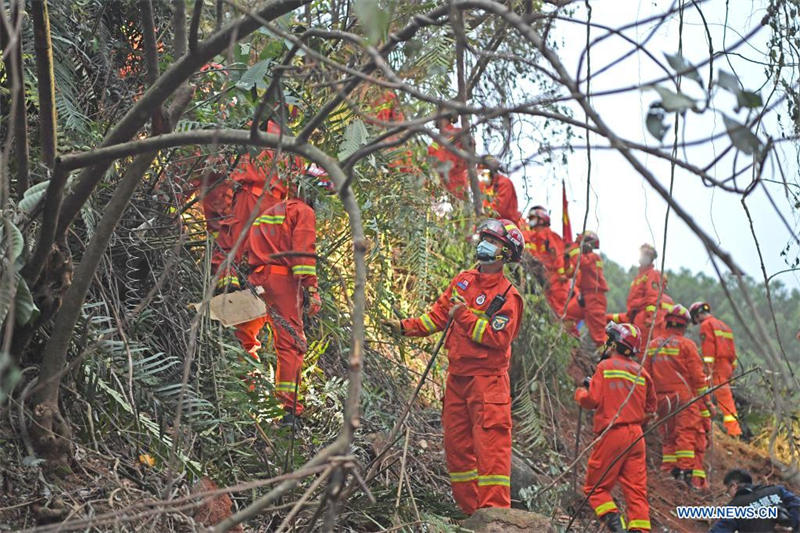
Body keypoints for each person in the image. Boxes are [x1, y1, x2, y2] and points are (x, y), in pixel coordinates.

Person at [383, 219, 525, 515]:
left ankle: (495, 519)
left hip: (488, 384)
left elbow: (496, 338)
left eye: (493, 241)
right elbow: (436, 316)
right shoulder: (464, 280)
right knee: (458, 451)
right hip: (457, 381)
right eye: (484, 237)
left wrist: (464, 316)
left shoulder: (508, 296)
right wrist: (402, 327)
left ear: (506, 253)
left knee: (491, 455)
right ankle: (470, 515)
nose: (485, 244)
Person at [234, 175, 331, 422]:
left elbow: (246, 246)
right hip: (283, 282)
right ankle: (289, 410)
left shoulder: (270, 211)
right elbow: (303, 255)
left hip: (257, 278)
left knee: (244, 335)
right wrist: (312, 290)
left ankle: (243, 390)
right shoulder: (304, 212)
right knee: (291, 343)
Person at [575, 322, 657, 532]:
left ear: (615, 343)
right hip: (637, 437)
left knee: (595, 487)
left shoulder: (605, 367)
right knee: (637, 492)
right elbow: (651, 408)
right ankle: (639, 529)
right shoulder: (641, 372)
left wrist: (580, 394)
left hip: (613, 433)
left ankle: (615, 523)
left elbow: (591, 400)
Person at [643, 304, 709, 487]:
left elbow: (645, 376)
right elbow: (698, 378)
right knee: (685, 435)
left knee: (668, 436)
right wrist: (707, 402)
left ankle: (668, 471)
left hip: (661, 400)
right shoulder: (687, 345)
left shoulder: (653, 345)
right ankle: (685, 476)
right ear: (684, 325)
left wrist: (648, 404)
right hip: (684, 399)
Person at [689, 301, 743, 437]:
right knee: (724, 397)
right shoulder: (724, 326)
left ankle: (733, 431)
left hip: (717, 367)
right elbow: (732, 351)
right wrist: (732, 369)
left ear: (697, 315)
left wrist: (708, 369)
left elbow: (709, 350)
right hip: (727, 366)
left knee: (709, 395)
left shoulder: (706, 325)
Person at [710, 469, 800, 532]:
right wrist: (792, 524)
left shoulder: (734, 507)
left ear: (734, 486)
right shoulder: (777, 490)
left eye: (727, 491)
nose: (729, 495)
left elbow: (721, 529)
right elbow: (797, 504)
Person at [564, 231, 609, 347]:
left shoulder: (594, 258)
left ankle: (607, 360)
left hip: (595, 298)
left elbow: (581, 262)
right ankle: (574, 343)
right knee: (568, 315)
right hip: (584, 297)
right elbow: (569, 273)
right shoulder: (584, 259)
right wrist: (566, 258)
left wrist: (573, 248)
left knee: (599, 337)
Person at [523, 205, 568, 314]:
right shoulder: (532, 236)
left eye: (532, 218)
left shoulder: (550, 236)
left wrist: (561, 274)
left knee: (557, 311)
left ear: (541, 219)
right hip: (542, 278)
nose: (530, 221)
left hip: (556, 280)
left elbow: (557, 255)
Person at [428, 116, 470, 199]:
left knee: (459, 208)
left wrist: (452, 169)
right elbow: (430, 155)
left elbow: (466, 157)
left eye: (442, 118)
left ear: (449, 119)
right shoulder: (436, 140)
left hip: (456, 183)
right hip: (440, 185)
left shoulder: (457, 133)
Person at [478, 156, 519, 221]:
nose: (481, 175)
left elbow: (499, 209)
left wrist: (481, 215)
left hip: (505, 224)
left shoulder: (504, 183)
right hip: (488, 223)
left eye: (483, 173)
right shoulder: (482, 185)